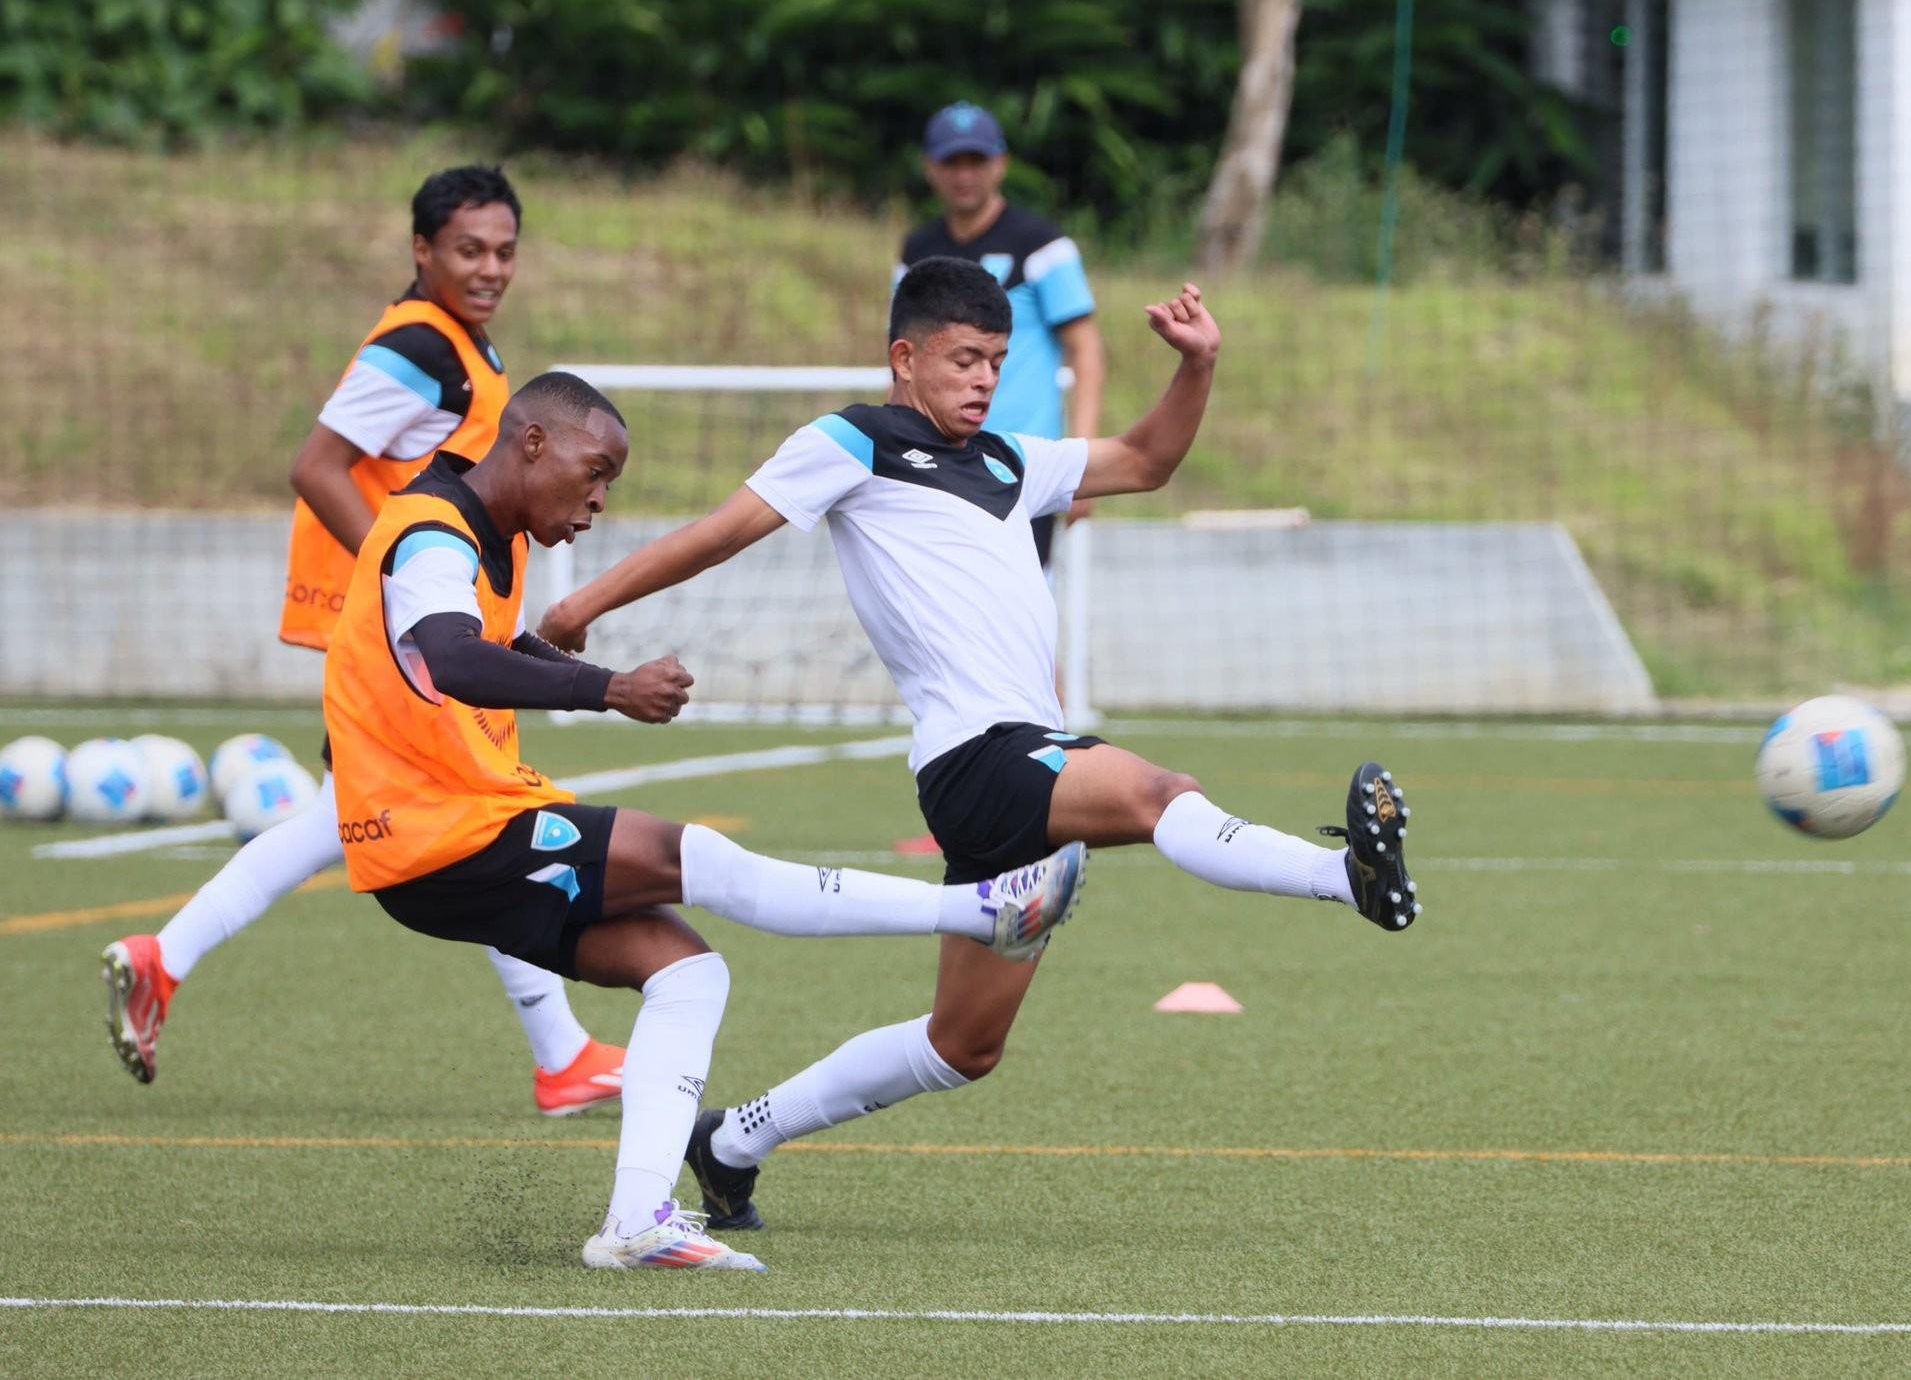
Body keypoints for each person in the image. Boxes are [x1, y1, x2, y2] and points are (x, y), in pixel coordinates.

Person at [537, 258, 1420, 1234]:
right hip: (977, 757)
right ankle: (1348, 875)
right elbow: (719, 532)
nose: (983, 379)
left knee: (963, 1044)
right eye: (963, 359)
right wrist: (580, 601)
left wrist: (1196, 367)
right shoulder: (852, 441)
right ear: (903, 357)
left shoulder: (1007, 460)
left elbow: (1143, 460)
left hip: (1020, 760)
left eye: (995, 360)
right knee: (1157, 789)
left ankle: (733, 1140)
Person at [323, 370, 1083, 1268]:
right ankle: (980, 909)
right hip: (438, 829)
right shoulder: (431, 531)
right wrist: (608, 687)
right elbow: (449, 656)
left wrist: (554, 655)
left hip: (466, 824)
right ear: (531, 441)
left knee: (688, 973)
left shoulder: (491, 535)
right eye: (594, 471)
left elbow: (479, 642)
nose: (600, 499)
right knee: (699, 859)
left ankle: (637, 1218)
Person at [100, 166, 624, 1116]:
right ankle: (561, 1052)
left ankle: (162, 959)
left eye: (505, 250)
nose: (490, 267)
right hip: (411, 638)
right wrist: (406, 588)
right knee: (474, 808)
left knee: (410, 812)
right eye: (469, 249)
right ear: (421, 250)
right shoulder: (425, 342)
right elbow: (319, 464)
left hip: (414, 629)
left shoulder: (461, 343)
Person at [899, 101, 1104, 591]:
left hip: (1022, 466)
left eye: (976, 160)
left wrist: (1084, 459)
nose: (964, 175)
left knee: (1022, 623)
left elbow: (1087, 350)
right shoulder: (918, 250)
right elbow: (903, 358)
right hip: (938, 466)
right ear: (930, 167)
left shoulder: (1039, 244)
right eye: (952, 162)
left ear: (1001, 163)